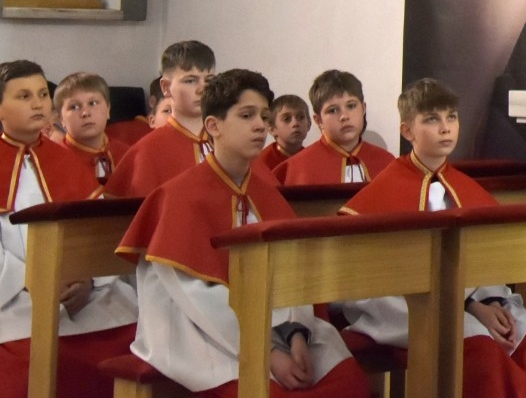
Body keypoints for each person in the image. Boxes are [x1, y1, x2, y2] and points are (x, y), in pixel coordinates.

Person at [117, 69, 367, 397]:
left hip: (276, 325)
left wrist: (296, 335)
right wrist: (267, 352)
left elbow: (293, 275)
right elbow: (195, 298)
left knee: (348, 382)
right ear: (213, 126)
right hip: (200, 331)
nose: (260, 125)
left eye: (264, 116)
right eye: (247, 116)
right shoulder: (178, 197)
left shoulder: (266, 194)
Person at [338, 79, 526, 398]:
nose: (445, 128)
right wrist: (468, 305)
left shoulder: (466, 188)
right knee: (480, 348)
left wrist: (489, 301)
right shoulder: (381, 193)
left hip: (473, 301)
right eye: (432, 119)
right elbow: (375, 278)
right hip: (401, 306)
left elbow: (485, 259)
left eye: (451, 117)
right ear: (407, 131)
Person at [0, 60, 137, 398]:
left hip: (82, 297)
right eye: (23, 96)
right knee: (24, 364)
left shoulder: (65, 161)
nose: (37, 104)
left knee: (133, 339)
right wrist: (37, 280)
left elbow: (96, 232)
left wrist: (88, 280)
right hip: (15, 299)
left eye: (42, 94)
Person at [105, 41, 219, 197]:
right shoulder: (147, 151)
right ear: (166, 87)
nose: (202, 89)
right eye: (190, 80)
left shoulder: (230, 142)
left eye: (209, 81)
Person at [276, 71, 395, 185]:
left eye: (351, 106)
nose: (344, 116)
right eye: (332, 110)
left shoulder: (387, 163)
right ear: (318, 120)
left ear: (363, 109)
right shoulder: (297, 168)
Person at [55, 71, 124, 186]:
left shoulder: (127, 154)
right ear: (61, 119)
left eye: (93, 103)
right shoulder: (55, 161)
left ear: (108, 109)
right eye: (74, 107)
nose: (85, 113)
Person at [259, 94, 310, 173]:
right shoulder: (261, 163)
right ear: (272, 129)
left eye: (300, 117)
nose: (295, 123)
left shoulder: (312, 158)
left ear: (309, 125)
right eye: (286, 119)